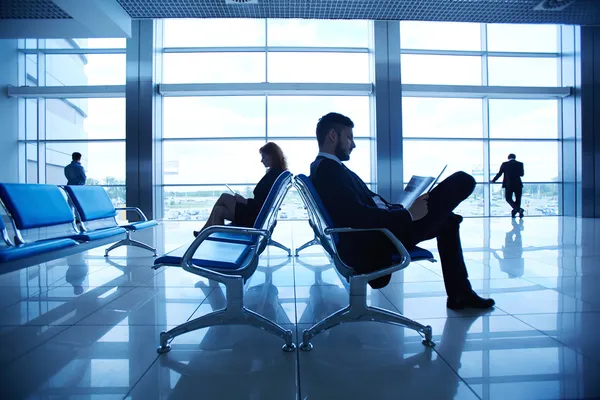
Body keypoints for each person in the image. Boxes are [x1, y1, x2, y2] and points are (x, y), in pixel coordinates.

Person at [310, 112, 494, 310]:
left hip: (380, 232)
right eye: (349, 137)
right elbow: (357, 216)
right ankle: (461, 293)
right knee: (463, 180)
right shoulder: (330, 171)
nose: (353, 144)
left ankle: (460, 294)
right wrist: (408, 215)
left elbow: (361, 207)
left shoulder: (327, 167)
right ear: (332, 136)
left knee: (448, 222)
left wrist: (402, 208)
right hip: (378, 239)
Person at [193, 142, 288, 237]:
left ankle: (204, 232)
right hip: (256, 213)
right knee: (219, 210)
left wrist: (245, 201)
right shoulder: (277, 174)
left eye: (264, 157)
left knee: (224, 197)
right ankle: (212, 238)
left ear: (272, 156)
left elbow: (262, 204)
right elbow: (264, 201)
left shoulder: (273, 175)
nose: (261, 160)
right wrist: (245, 201)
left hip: (254, 215)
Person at [491, 153, 525, 218]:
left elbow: (499, 173)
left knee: (508, 198)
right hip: (518, 184)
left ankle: (518, 210)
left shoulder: (505, 164)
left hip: (508, 184)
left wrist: (493, 180)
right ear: (515, 157)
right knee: (518, 199)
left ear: (508, 158)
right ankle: (516, 212)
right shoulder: (520, 164)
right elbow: (522, 174)